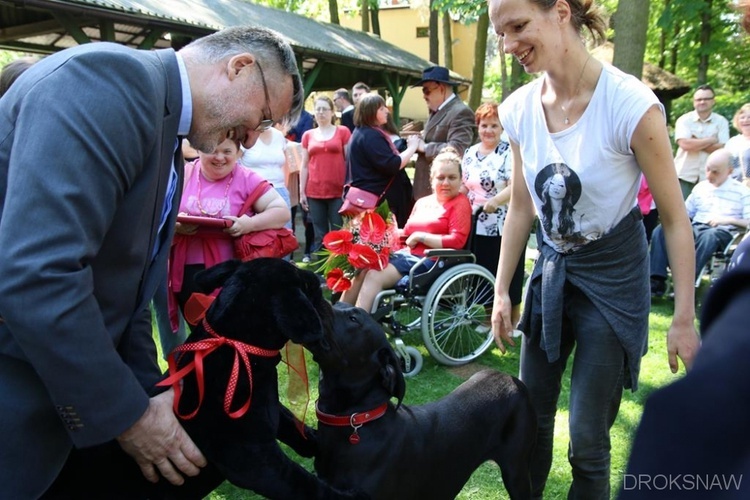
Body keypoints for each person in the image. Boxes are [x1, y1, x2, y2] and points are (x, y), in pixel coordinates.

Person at [0, 25, 302, 497]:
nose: (248, 140)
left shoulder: (162, 127)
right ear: (239, 67)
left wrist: (151, 389)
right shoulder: (106, 83)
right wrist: (130, 417)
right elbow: (39, 276)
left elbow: (129, 289)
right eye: (261, 117)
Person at [488, 1, 700, 499]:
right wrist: (503, 289)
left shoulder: (630, 105)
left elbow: (674, 218)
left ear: (560, 12)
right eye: (500, 33)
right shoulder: (518, 108)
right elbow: (521, 207)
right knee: (530, 423)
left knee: (586, 439)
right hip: (553, 273)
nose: (508, 45)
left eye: (518, 27)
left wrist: (684, 318)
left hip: (613, 278)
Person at [621, 4, 750, 497]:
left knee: (709, 234)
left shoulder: (729, 170)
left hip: (720, 220)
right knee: (667, 232)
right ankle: (660, 277)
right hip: (695, 205)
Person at [341, 148, 472, 313]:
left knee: (374, 275)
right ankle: (339, 317)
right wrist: (374, 233)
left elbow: (457, 241)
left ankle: (357, 325)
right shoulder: (422, 202)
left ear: (461, 180)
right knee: (362, 266)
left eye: (452, 178)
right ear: (432, 179)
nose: (445, 183)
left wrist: (422, 237)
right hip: (407, 255)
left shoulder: (460, 203)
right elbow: (406, 233)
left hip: (432, 261)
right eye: (440, 178)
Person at [170, 138, 290, 316]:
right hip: (188, 268)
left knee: (230, 326)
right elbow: (157, 213)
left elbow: (281, 212)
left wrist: (248, 224)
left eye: (227, 152)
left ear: (238, 153)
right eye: (213, 150)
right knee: (199, 328)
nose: (220, 157)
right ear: (199, 151)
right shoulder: (184, 174)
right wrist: (176, 226)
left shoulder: (247, 178)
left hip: (234, 270)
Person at [649, 149, 750, 296]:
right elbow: (684, 214)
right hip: (696, 227)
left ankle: (686, 284)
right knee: (661, 229)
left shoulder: (742, 192)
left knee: (709, 236)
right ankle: (656, 280)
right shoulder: (701, 187)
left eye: (715, 172)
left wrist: (726, 220)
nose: (709, 175)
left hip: (723, 231)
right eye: (708, 169)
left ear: (729, 171)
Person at [461, 102, 525, 327]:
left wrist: (496, 201)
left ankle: (514, 320)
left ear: (502, 128)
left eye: (494, 126)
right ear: (477, 127)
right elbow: (464, 185)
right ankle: (488, 317)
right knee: (483, 268)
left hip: (502, 221)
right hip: (474, 221)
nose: (488, 130)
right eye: (484, 125)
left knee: (508, 270)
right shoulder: (469, 152)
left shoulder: (509, 153)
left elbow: (516, 185)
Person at [346, 94, 419, 227]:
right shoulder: (370, 136)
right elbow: (393, 164)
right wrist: (412, 147)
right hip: (376, 203)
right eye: (381, 108)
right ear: (371, 112)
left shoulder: (360, 132)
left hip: (367, 201)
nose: (387, 111)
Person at [411, 65, 476, 200]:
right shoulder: (437, 110)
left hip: (443, 195)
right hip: (428, 193)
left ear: (441, 89)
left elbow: (458, 149)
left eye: (426, 91)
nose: (424, 96)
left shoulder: (460, 112)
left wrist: (424, 147)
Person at [300, 96, 352, 256]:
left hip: (338, 191)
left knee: (338, 233)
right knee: (319, 235)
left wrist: (350, 187)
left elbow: (349, 161)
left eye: (325, 109)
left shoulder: (342, 132)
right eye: (318, 109)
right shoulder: (308, 135)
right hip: (314, 191)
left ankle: (339, 269)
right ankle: (321, 273)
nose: (321, 112)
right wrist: (302, 192)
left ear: (332, 112)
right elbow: (304, 165)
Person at [673, 84, 730, 199]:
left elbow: (722, 148)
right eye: (699, 99)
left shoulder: (721, 121)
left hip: (711, 177)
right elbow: (684, 144)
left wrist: (695, 142)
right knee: (681, 213)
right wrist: (711, 140)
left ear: (713, 101)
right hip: (684, 175)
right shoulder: (684, 120)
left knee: (708, 214)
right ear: (694, 102)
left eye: (706, 99)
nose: (702, 102)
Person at [723, 103, 750, 184]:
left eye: (749, 117)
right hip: (735, 188)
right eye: (742, 117)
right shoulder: (732, 142)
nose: (746, 120)